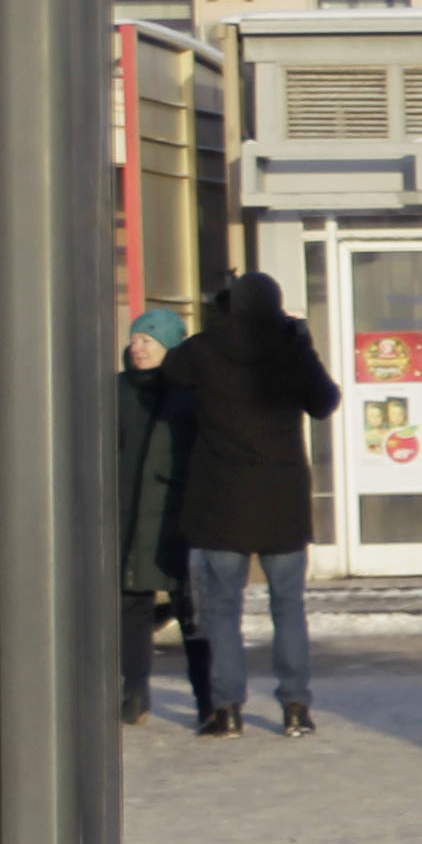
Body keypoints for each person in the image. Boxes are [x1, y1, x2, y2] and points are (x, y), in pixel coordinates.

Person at [167, 273, 338, 740]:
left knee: (222, 609)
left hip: (221, 499)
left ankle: (227, 709)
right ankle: (296, 707)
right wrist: (303, 341)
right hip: (281, 499)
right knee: (288, 607)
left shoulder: (206, 348)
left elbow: (170, 374)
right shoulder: (290, 349)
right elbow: (325, 402)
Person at [115, 305, 187, 725]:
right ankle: (135, 689)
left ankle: (210, 698)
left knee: (187, 602)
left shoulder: (183, 392)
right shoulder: (118, 389)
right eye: (135, 339)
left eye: (148, 341)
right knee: (133, 603)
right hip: (126, 510)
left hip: (174, 512)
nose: (137, 348)